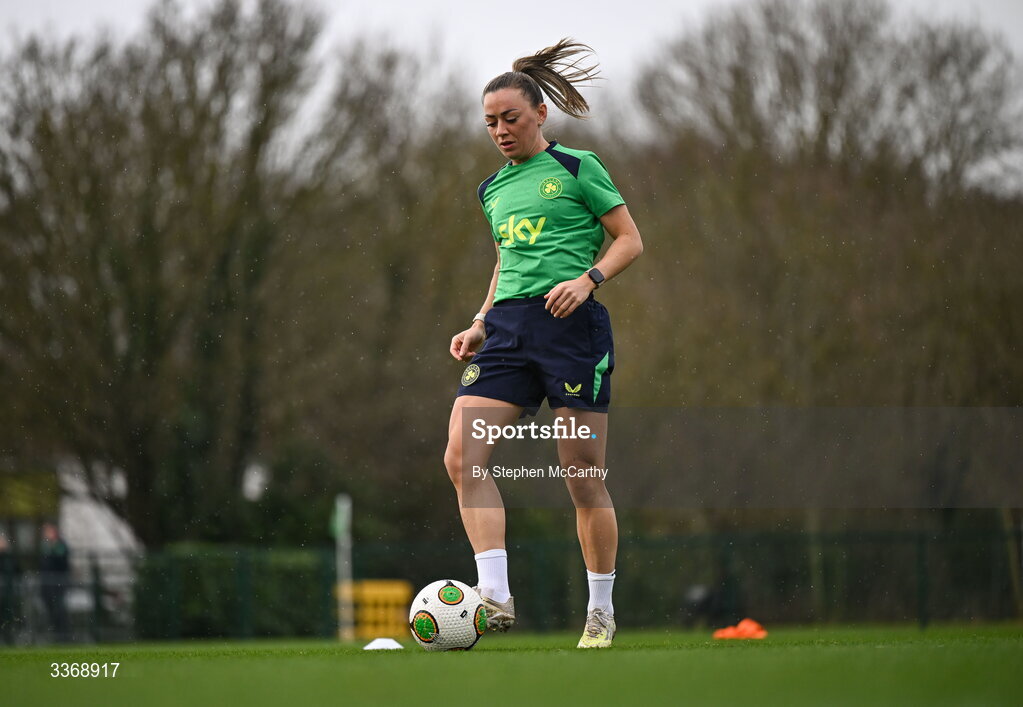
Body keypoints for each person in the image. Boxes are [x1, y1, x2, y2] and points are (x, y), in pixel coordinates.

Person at [444, 39, 644, 649]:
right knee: (461, 457)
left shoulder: (579, 168)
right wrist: (480, 320)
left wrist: (588, 281)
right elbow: (507, 262)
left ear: (539, 115)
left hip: (570, 332)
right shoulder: (491, 191)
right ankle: (496, 598)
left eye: (510, 118)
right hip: (506, 333)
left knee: (581, 474)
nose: (500, 131)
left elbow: (629, 240)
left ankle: (601, 611)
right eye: (490, 122)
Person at [39, 522, 71, 641]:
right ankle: (55, 633)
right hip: (47, 582)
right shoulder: (45, 546)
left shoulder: (60, 545)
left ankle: (63, 635)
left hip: (58, 582)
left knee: (59, 608)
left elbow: (61, 561)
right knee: (50, 608)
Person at [0, 534, 20, 645]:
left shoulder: (9, 557)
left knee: (8, 616)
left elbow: (18, 570)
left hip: (8, 593)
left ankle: (9, 638)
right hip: (4, 592)